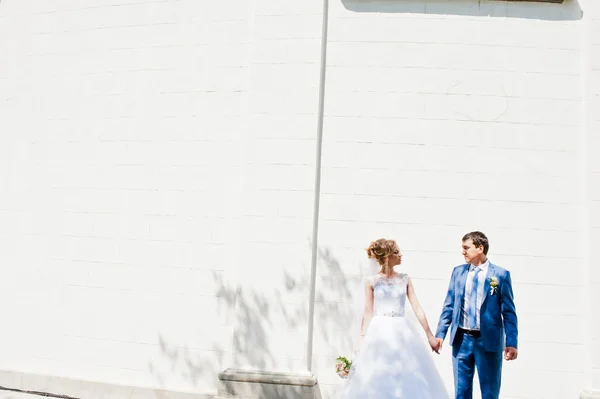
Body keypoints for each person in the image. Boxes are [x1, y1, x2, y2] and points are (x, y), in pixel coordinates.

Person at [339, 238, 449, 399]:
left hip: (402, 331)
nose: (401, 255)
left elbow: (417, 307)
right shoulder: (371, 281)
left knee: (408, 373)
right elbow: (368, 312)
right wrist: (362, 341)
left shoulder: (405, 279)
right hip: (379, 331)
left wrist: (430, 336)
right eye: (397, 252)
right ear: (387, 256)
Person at [434, 231, 518, 399]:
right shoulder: (458, 272)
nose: (463, 251)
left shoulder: (500, 275)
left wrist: (512, 342)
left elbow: (509, 312)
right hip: (461, 340)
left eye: (466, 247)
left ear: (480, 248)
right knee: (461, 392)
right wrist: (440, 333)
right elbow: (449, 305)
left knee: (490, 393)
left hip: (488, 341)